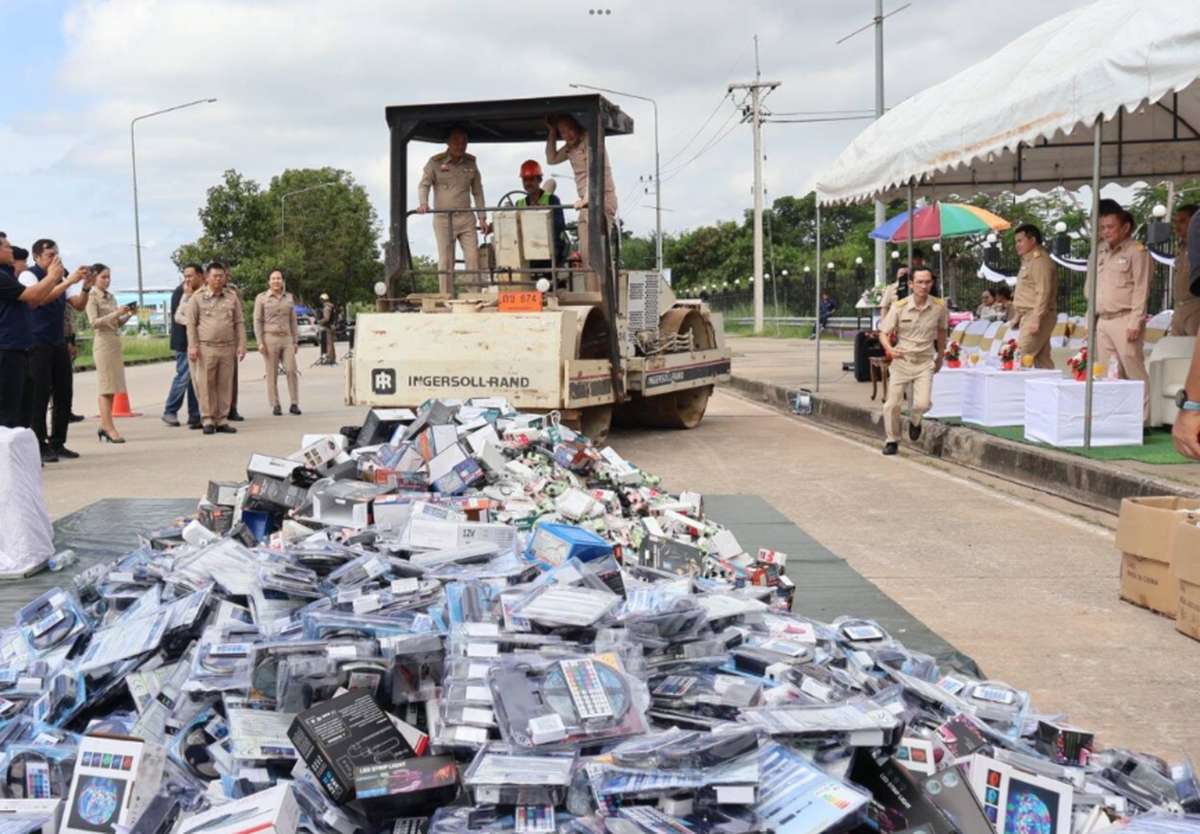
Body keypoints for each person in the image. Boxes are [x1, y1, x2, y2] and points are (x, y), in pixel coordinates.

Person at [20, 239, 93, 463]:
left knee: (64, 393)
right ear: (37, 257)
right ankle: (39, 444)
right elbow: (41, 299)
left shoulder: (61, 278)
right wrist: (67, 280)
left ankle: (58, 442)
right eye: (50, 255)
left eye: (56, 254)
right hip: (36, 343)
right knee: (39, 395)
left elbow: (78, 305)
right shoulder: (28, 276)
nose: (55, 258)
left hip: (57, 342)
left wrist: (86, 286)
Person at [1089, 205, 1150, 422]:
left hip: (1125, 318)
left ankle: (1142, 422)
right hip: (1103, 319)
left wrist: (1135, 321)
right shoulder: (1100, 251)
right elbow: (1092, 287)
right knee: (1108, 372)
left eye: (1110, 227)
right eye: (1102, 227)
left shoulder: (1137, 251)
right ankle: (1116, 419)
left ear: (1125, 228)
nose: (1105, 232)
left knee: (1133, 370)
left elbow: (1142, 288)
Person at [878, 267, 948, 456]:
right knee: (892, 404)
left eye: (927, 282)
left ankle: (915, 421)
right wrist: (890, 349)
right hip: (902, 360)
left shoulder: (939, 306)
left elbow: (942, 331)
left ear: (932, 284)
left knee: (923, 404)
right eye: (920, 282)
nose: (924, 286)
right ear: (911, 284)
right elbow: (883, 333)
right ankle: (892, 440)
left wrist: (940, 356)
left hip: (924, 361)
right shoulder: (899, 306)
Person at [546, 113, 618, 287]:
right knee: (585, 254)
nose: (567, 135)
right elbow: (551, 159)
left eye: (570, 129)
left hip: (600, 200)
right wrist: (552, 133)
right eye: (563, 132)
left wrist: (586, 199)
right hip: (586, 204)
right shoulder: (570, 147)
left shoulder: (591, 141)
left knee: (598, 253)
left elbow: (594, 172)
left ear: (577, 126)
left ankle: (605, 296)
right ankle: (592, 294)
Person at [0, 237, 64, 429]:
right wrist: (52, 277)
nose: (11, 250)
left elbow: (32, 302)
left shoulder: (8, 274)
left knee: (23, 408)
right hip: (7, 350)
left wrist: (58, 280)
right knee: (8, 412)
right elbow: (32, 295)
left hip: (21, 349)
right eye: (7, 246)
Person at [417, 127, 488, 295]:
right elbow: (424, 185)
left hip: (466, 218)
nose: (460, 145)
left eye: (464, 142)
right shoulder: (435, 162)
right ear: (448, 143)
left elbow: (478, 191)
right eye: (456, 141)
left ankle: (474, 295)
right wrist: (423, 203)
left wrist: (482, 218)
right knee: (446, 260)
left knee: (473, 258)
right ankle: (446, 297)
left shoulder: (471, 163)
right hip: (443, 219)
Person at [186, 262, 246, 435]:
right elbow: (191, 324)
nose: (219, 279)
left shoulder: (231, 297)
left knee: (225, 384)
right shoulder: (197, 298)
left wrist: (242, 344)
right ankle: (208, 419)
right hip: (206, 347)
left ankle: (222, 419)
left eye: (221, 276)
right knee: (206, 384)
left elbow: (239, 322)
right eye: (215, 276)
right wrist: (193, 346)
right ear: (207, 277)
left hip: (227, 347)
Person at [85, 265, 135, 444]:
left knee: (113, 387)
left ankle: (104, 425)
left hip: (114, 341)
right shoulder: (92, 297)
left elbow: (116, 322)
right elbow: (94, 322)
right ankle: (108, 427)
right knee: (106, 387)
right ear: (95, 278)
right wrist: (115, 313)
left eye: (109, 277)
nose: (107, 280)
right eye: (103, 277)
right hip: (103, 343)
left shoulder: (111, 297)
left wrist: (127, 315)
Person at [254, 269, 301, 416]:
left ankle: (294, 403)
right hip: (270, 339)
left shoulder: (289, 298)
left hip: (287, 339)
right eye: (273, 278)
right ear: (269, 282)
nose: (276, 281)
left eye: (279, 278)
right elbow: (257, 320)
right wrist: (260, 342)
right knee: (271, 373)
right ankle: (275, 404)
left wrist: (295, 340)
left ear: (283, 281)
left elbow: (293, 320)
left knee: (291, 370)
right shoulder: (261, 298)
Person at [1010, 224, 1057, 369]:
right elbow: (1026, 292)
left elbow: (1043, 291)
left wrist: (1036, 318)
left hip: (1037, 316)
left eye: (1020, 241)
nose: (1017, 245)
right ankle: (1049, 383)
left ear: (1032, 240)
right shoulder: (1028, 261)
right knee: (1042, 360)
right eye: (1016, 242)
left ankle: (1014, 385)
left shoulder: (1040, 261)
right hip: (1029, 315)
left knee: (1018, 356)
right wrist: (1018, 316)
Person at [162, 264, 203, 428]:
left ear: (200, 275)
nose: (187, 279)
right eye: (185, 276)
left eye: (190, 276)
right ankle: (170, 410)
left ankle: (195, 414)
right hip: (183, 342)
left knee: (196, 380)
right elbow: (181, 317)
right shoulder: (181, 292)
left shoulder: (201, 291)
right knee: (184, 377)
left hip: (199, 341)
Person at [515, 159, 569, 270]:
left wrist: (542, 215)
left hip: (550, 248)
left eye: (531, 179)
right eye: (525, 180)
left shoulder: (552, 200)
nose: (527, 183)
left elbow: (559, 225)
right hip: (528, 248)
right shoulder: (519, 204)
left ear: (539, 180)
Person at [1170, 204, 1200, 336]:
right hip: (1179, 308)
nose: (1177, 226)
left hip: (1196, 307)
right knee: (1175, 347)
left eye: (1182, 221)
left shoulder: (1197, 248)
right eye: (1175, 222)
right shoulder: (1181, 248)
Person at [318, 293, 337, 364]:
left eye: (321, 300)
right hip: (332, 326)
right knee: (331, 343)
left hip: (328, 327)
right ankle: (333, 358)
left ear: (322, 300)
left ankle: (329, 359)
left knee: (329, 344)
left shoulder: (327, 307)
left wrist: (320, 321)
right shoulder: (331, 306)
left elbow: (326, 318)